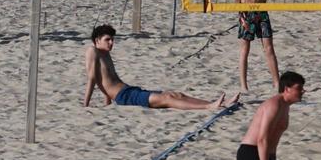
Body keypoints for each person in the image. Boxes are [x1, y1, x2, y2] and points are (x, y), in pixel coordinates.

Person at [84, 25, 236, 109]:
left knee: (176, 94)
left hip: (128, 90)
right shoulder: (93, 51)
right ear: (97, 40)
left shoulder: (105, 54)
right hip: (124, 97)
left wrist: (107, 105)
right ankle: (208, 107)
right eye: (108, 40)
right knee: (167, 99)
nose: (111, 43)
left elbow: (106, 80)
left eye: (112, 40)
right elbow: (92, 79)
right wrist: (86, 105)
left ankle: (216, 103)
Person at [237, 72, 305, 160]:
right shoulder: (274, 104)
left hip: (266, 156)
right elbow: (262, 139)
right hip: (253, 154)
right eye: (299, 88)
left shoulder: (285, 105)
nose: (303, 91)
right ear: (287, 89)